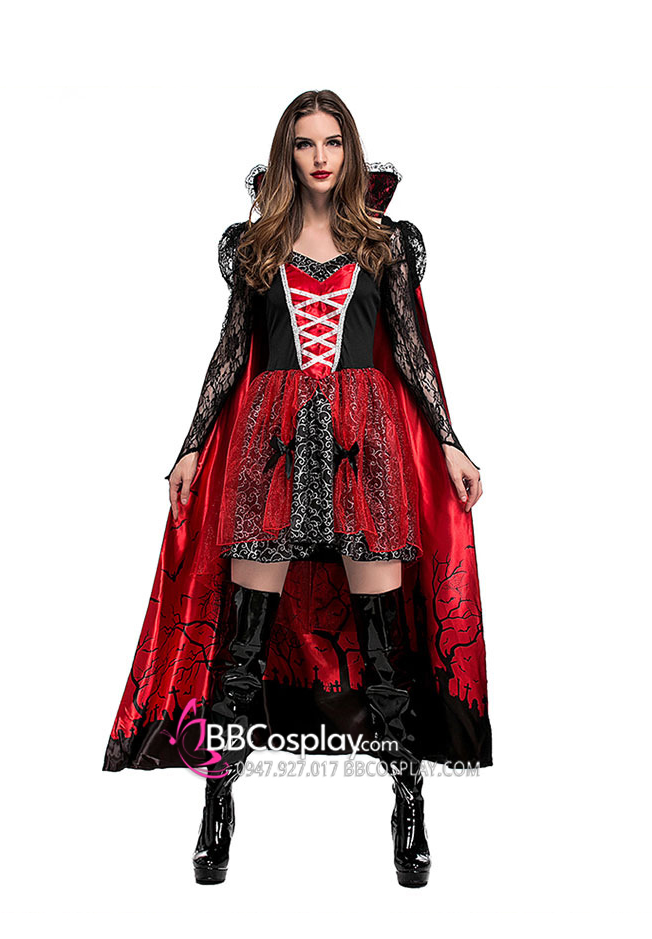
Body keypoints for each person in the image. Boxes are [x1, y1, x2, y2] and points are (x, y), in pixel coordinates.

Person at [102, 89, 493, 890]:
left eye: (333, 142)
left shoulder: (385, 243)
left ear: (351, 152)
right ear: (287, 153)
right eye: (306, 143)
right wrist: (189, 446)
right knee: (242, 652)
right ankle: (217, 802)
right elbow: (228, 353)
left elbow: (411, 352)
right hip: (270, 448)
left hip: (364, 445)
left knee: (383, 653)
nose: (320, 157)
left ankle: (408, 804)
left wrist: (450, 440)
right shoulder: (256, 245)